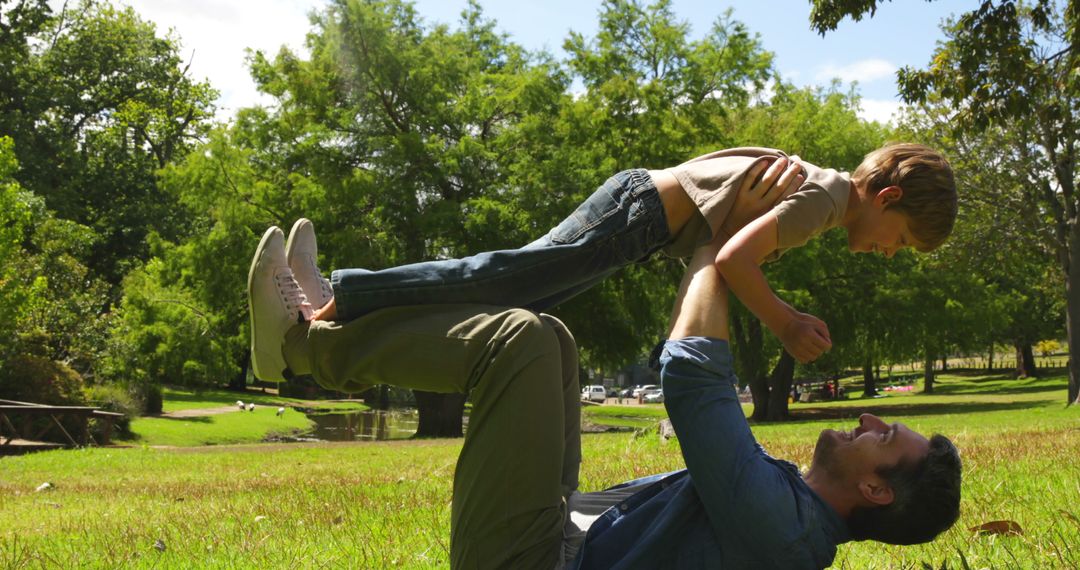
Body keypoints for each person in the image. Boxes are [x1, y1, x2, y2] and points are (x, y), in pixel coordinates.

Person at [246, 155, 962, 568]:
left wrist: (724, 237)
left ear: (875, 492)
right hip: (558, 538)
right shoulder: (786, 508)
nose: (871, 417)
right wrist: (723, 237)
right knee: (548, 335)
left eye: (886, 435)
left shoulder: (785, 529)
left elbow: (690, 376)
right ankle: (333, 306)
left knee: (517, 333)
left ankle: (308, 340)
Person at [254, 143, 956, 384]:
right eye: (899, 239)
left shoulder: (815, 183)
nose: (885, 253)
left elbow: (721, 189)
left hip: (639, 221)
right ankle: (342, 292)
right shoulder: (826, 202)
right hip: (636, 215)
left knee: (505, 299)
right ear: (886, 196)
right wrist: (783, 322)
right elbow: (738, 259)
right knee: (495, 278)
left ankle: (330, 317)